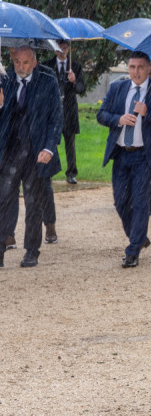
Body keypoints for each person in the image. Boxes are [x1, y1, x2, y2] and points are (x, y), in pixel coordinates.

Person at [97, 51, 151, 268]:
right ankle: (139, 236)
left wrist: (147, 112)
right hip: (121, 153)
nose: (136, 72)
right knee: (121, 201)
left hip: (145, 155)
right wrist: (118, 119)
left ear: (149, 69)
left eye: (140, 67)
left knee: (141, 202)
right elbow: (101, 114)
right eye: (132, 67)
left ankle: (133, 251)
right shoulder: (118, 88)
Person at [0, 46, 63, 268]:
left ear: (34, 63)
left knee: (33, 201)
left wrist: (49, 147)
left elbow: (56, 117)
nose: (20, 67)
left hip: (37, 152)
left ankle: (31, 251)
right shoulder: (4, 78)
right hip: (10, 151)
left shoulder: (47, 80)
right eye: (17, 62)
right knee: (3, 199)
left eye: (25, 63)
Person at [43, 40, 84, 185]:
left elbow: (81, 89)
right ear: (54, 48)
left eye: (65, 47)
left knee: (70, 143)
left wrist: (74, 81)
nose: (62, 50)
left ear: (69, 48)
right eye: (59, 47)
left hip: (69, 111)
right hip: (53, 110)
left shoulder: (76, 67)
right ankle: (48, 171)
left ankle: (71, 173)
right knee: (50, 142)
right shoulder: (47, 65)